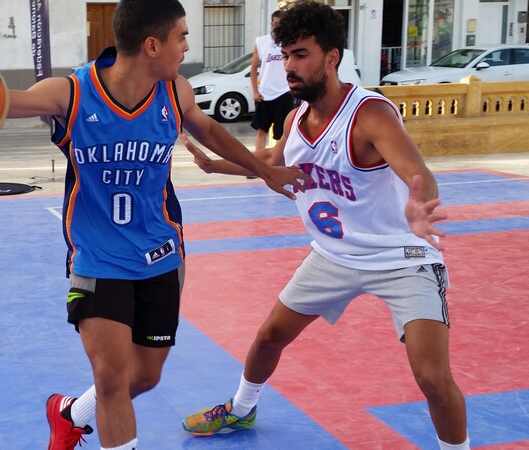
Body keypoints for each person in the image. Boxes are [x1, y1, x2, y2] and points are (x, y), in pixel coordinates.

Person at [0, 1, 306, 449]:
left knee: (144, 377)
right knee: (112, 379)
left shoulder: (175, 91)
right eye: (181, 36)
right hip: (97, 255)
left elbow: (209, 131)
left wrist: (263, 169)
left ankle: (70, 413)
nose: (187, 46)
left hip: (160, 251)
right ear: (152, 44)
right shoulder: (70, 94)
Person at [180, 2, 470, 449]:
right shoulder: (297, 119)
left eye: (300, 55)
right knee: (268, 337)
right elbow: (270, 163)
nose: (289, 68)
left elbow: (419, 173)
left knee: (432, 376)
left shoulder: (370, 114)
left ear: (331, 57)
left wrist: (419, 203)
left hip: (402, 255)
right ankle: (241, 410)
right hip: (333, 256)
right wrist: (215, 165)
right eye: (285, 57)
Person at [249, 10, 293, 152]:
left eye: (280, 24)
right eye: (275, 24)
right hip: (265, 94)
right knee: (261, 131)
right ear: (271, 23)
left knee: (282, 134)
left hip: (284, 92)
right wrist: (255, 91)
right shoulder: (261, 42)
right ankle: (258, 163)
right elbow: (253, 68)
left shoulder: (289, 42)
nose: (277, 27)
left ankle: (279, 164)